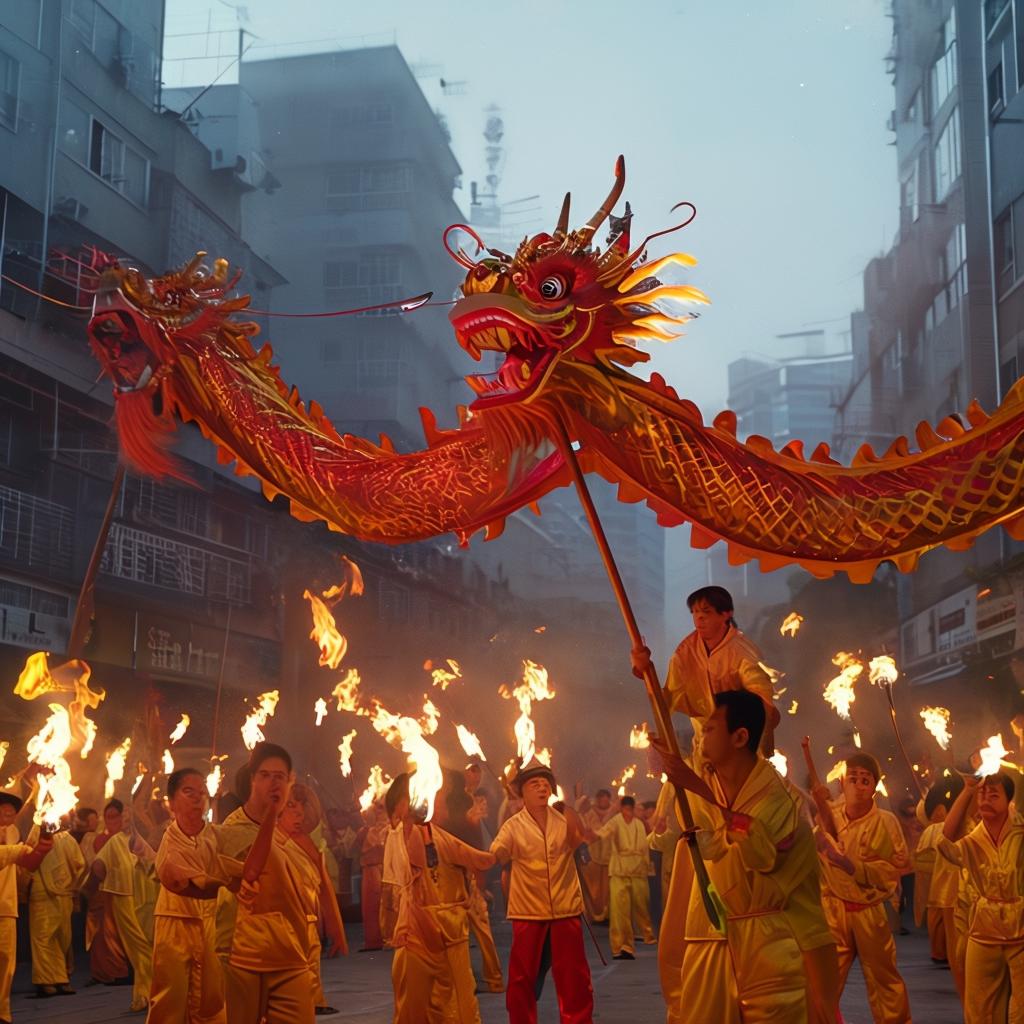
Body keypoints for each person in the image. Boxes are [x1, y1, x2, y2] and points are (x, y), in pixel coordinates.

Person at [631, 586, 778, 1022]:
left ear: (726, 615)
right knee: (686, 852)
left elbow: (765, 708)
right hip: (701, 763)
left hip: (733, 765)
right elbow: (667, 701)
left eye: (707, 612)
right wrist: (646, 672)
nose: (699, 619)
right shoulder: (685, 652)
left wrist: (744, 727)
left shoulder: (744, 654)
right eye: (694, 612)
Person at [653, 690, 823, 1023]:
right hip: (708, 933)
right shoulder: (704, 783)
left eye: (711, 728)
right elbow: (708, 845)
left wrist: (695, 787)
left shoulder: (781, 799)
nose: (702, 736)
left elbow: (759, 856)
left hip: (766, 940)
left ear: (741, 736)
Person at [218, 742, 332, 1024]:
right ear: (252, 779)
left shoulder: (285, 835)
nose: (273, 783)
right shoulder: (232, 831)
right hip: (240, 956)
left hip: (288, 954)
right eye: (266, 775)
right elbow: (248, 878)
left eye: (280, 776)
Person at [384, 772, 494, 1024]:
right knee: (414, 1013)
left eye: (440, 796)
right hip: (416, 940)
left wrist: (508, 843)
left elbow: (481, 859)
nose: (439, 801)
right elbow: (407, 867)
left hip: (450, 935)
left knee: (458, 1008)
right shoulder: (398, 836)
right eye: (435, 795)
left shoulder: (439, 835)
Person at [490, 757, 594, 1024]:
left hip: (566, 909)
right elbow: (495, 854)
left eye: (545, 783)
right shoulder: (512, 827)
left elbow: (581, 841)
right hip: (528, 911)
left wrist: (574, 815)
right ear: (521, 791)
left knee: (574, 977)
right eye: (534, 783)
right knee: (522, 977)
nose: (541, 788)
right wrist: (485, 857)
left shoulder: (563, 820)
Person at [813, 752, 911, 1024]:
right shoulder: (828, 813)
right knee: (822, 983)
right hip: (832, 910)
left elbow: (894, 870)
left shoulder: (887, 822)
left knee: (885, 982)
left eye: (865, 780)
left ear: (874, 787)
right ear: (842, 782)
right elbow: (811, 851)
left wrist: (852, 866)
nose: (858, 785)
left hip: (869, 912)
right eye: (852, 778)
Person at [147, 767, 236, 1024]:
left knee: (212, 997)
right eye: (189, 792)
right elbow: (186, 880)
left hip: (210, 924)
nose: (198, 798)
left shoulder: (216, 837)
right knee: (169, 997)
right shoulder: (170, 840)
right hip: (174, 920)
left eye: (203, 793)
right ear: (171, 802)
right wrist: (228, 884)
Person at [938, 771, 1024, 1023]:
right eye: (982, 795)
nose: (985, 800)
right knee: (980, 1007)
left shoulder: (1021, 831)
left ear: (1009, 800)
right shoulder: (972, 839)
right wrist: (968, 789)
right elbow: (946, 838)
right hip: (984, 930)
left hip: (1021, 931)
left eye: (994, 795)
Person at [276, 783, 347, 1017]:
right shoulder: (274, 842)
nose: (298, 812)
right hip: (284, 921)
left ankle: (315, 1000)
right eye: (290, 806)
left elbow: (320, 884)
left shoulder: (306, 841)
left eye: (300, 805)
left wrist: (333, 926)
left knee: (312, 957)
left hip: (309, 916)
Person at [90, 798, 154, 1012]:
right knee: (139, 947)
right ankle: (145, 994)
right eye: (116, 817)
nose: (121, 820)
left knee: (144, 946)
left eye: (124, 816)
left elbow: (155, 864)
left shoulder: (138, 839)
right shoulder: (114, 841)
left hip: (141, 898)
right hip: (123, 897)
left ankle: (149, 993)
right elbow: (98, 867)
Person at [0, 795, 53, 1024]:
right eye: (2, 812)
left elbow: (28, 862)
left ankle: (2, 1013)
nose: (6, 817)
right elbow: (21, 856)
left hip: (6, 907)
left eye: (10, 813)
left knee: (5, 963)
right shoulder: (11, 845)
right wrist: (30, 850)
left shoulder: (12, 836)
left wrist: (41, 847)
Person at [26, 816, 84, 998]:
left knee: (58, 939)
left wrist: (72, 888)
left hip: (61, 895)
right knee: (47, 938)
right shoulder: (38, 833)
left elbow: (80, 866)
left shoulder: (66, 839)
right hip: (43, 893)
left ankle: (58, 979)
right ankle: (49, 981)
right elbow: (28, 858)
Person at [594, 796, 655, 960]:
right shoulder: (615, 822)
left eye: (630, 810)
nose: (628, 813)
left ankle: (642, 936)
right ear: (622, 809)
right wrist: (587, 836)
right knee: (619, 912)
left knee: (641, 905)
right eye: (625, 809)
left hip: (637, 871)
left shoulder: (638, 825)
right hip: (619, 872)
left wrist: (646, 867)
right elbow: (601, 834)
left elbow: (644, 848)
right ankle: (621, 947)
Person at [575, 788, 616, 923]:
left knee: (608, 890)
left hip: (609, 856)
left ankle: (607, 916)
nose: (603, 800)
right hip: (591, 857)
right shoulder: (587, 814)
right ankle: (593, 915)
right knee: (593, 889)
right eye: (600, 798)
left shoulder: (615, 813)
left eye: (606, 798)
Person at [356, 802, 388, 951]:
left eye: (380, 808)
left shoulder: (389, 827)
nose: (377, 811)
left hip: (380, 868)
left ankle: (383, 938)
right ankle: (372, 940)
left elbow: (380, 844)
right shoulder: (367, 829)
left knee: (381, 906)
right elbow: (355, 848)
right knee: (370, 907)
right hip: (369, 869)